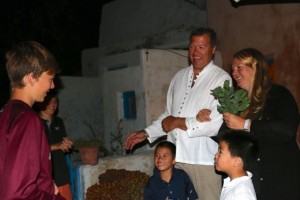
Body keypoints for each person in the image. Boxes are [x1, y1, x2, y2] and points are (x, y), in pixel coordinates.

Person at [125, 27, 232, 200]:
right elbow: (168, 114)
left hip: (203, 161)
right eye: (191, 47)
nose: (195, 52)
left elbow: (214, 124)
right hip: (176, 160)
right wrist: (146, 133)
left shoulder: (222, 79)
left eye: (201, 47)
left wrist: (176, 122)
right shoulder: (179, 77)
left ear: (213, 50)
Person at [197, 48, 300, 200]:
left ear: (256, 67)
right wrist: (209, 118)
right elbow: (226, 138)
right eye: (232, 69)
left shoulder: (278, 94)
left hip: (279, 179)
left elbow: (286, 130)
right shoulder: (238, 102)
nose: (234, 73)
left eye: (239, 67)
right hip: (253, 182)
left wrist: (247, 124)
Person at [0, 41, 64, 199]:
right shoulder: (27, 120)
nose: (52, 86)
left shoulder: (5, 114)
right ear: (31, 78)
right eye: (50, 78)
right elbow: (19, 193)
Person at [37, 91, 73, 200]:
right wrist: (55, 146)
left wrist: (67, 145)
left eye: (55, 101)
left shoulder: (59, 122)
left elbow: (64, 145)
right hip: (43, 178)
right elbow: (33, 150)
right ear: (41, 102)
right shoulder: (34, 122)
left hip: (61, 176)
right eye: (50, 101)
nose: (53, 104)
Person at [215, 130, 258, 200]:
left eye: (220, 152)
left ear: (237, 162)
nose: (216, 155)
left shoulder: (242, 194)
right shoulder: (233, 183)